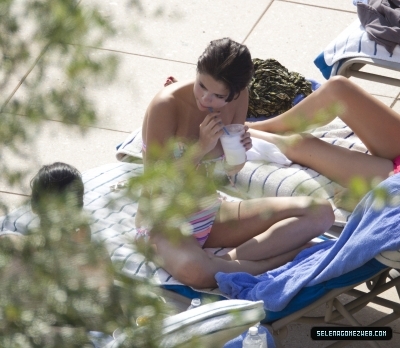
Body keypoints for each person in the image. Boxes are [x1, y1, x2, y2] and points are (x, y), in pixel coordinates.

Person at [137, 38, 334, 289]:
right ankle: (279, 258)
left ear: (237, 92)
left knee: (321, 212)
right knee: (197, 272)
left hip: (209, 210)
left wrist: (238, 153)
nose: (206, 99)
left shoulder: (240, 99)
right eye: (201, 85)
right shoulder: (166, 105)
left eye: (218, 96)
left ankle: (230, 262)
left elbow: (226, 173)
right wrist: (201, 148)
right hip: (164, 221)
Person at [246, 76, 400, 197]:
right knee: (338, 88)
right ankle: (259, 127)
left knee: (302, 145)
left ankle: (236, 131)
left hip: (395, 179)